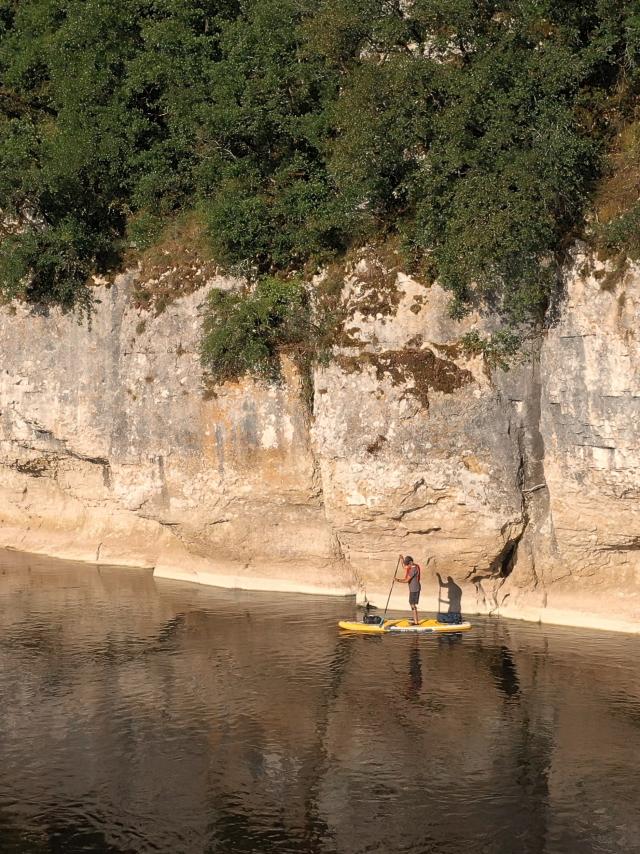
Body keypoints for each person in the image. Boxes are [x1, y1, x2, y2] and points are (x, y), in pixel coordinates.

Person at [396, 555, 422, 625]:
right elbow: (404, 567)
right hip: (413, 588)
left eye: (407, 564)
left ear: (410, 562)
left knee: (412, 605)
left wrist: (397, 580)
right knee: (411, 604)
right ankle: (415, 620)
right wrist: (402, 559)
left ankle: (416, 622)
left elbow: (406, 580)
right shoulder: (413, 566)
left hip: (415, 589)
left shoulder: (413, 569)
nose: (406, 566)